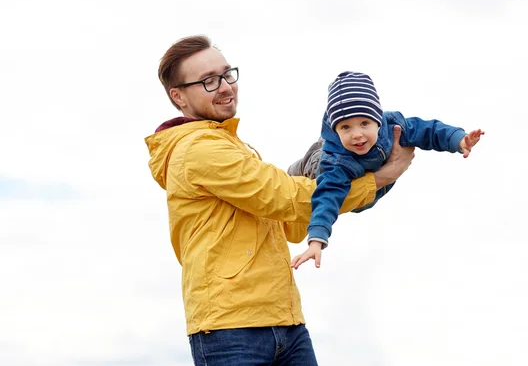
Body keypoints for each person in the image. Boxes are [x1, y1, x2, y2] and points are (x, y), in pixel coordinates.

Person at [144, 35, 416, 366]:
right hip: (231, 329)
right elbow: (284, 197)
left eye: (227, 74)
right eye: (209, 81)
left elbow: (290, 227)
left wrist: (326, 172)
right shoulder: (200, 150)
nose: (226, 87)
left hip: (284, 319)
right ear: (179, 96)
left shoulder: (234, 147)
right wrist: (382, 177)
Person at [289, 71, 484, 270]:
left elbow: (428, 130)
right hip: (320, 166)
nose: (357, 134)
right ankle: (298, 167)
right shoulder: (336, 161)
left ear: (377, 121)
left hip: (366, 187)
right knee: (313, 173)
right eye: (345, 127)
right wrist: (316, 240)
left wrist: (459, 140)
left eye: (364, 123)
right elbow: (327, 197)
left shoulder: (393, 128)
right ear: (336, 130)